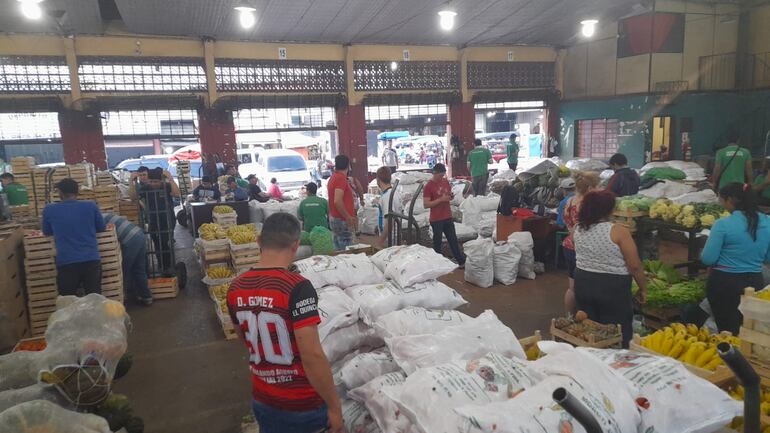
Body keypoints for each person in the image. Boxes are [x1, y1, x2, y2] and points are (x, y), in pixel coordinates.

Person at [227, 213, 343, 433]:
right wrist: (335, 407)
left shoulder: (235, 287)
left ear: (259, 241)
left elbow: (243, 337)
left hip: (263, 398)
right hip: (302, 405)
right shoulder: (298, 287)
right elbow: (311, 355)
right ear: (296, 245)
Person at [573, 190, 646, 347]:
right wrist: (643, 288)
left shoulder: (578, 228)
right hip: (612, 287)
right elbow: (634, 266)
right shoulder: (618, 231)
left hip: (583, 281)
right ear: (608, 210)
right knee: (616, 331)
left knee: (588, 328)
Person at [701, 183, 770, 334]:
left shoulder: (722, 224)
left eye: (720, 198)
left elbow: (708, 258)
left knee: (728, 330)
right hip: (755, 282)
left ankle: (729, 355)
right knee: (748, 328)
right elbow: (768, 257)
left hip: (725, 283)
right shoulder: (767, 222)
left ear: (729, 200)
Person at [42, 178, 106, 296]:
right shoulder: (91, 206)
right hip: (91, 260)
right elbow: (102, 228)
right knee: (95, 299)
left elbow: (46, 232)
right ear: (77, 192)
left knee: (68, 301)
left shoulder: (49, 210)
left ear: (60, 193)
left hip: (66, 262)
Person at [561, 171, 601, 314]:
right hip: (583, 249)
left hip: (569, 245)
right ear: (590, 188)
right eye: (598, 186)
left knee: (572, 287)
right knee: (588, 287)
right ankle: (586, 319)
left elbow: (567, 223)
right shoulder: (587, 204)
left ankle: (569, 318)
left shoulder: (569, 201)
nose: (600, 189)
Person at [103, 213, 152, 305]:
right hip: (140, 235)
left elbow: (106, 238)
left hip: (131, 240)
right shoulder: (107, 215)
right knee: (139, 269)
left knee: (123, 271)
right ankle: (147, 297)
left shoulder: (100, 220)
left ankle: (123, 298)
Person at [139, 168, 180, 273]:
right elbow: (133, 197)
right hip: (153, 220)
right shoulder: (146, 188)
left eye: (156, 181)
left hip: (167, 219)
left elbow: (176, 194)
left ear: (161, 180)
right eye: (151, 181)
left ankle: (167, 267)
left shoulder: (166, 186)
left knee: (164, 242)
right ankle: (162, 266)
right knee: (157, 243)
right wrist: (131, 181)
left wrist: (170, 178)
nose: (153, 184)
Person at [423, 164, 466, 266]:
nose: (441, 177)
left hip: (447, 215)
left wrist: (450, 197)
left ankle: (460, 261)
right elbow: (426, 204)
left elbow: (448, 194)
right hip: (436, 218)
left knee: (453, 239)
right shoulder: (428, 186)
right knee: (437, 242)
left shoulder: (445, 182)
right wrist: (440, 200)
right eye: (440, 175)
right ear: (435, 173)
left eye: (443, 175)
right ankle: (437, 263)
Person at [327, 155, 356, 251]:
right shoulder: (341, 178)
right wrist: (347, 216)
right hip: (342, 219)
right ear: (348, 165)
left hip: (335, 217)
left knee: (338, 247)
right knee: (346, 251)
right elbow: (337, 200)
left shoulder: (333, 177)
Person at [375, 166, 402, 248]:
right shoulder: (395, 193)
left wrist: (380, 241)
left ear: (378, 180)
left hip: (390, 239)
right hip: (394, 236)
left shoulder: (387, 197)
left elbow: (390, 221)